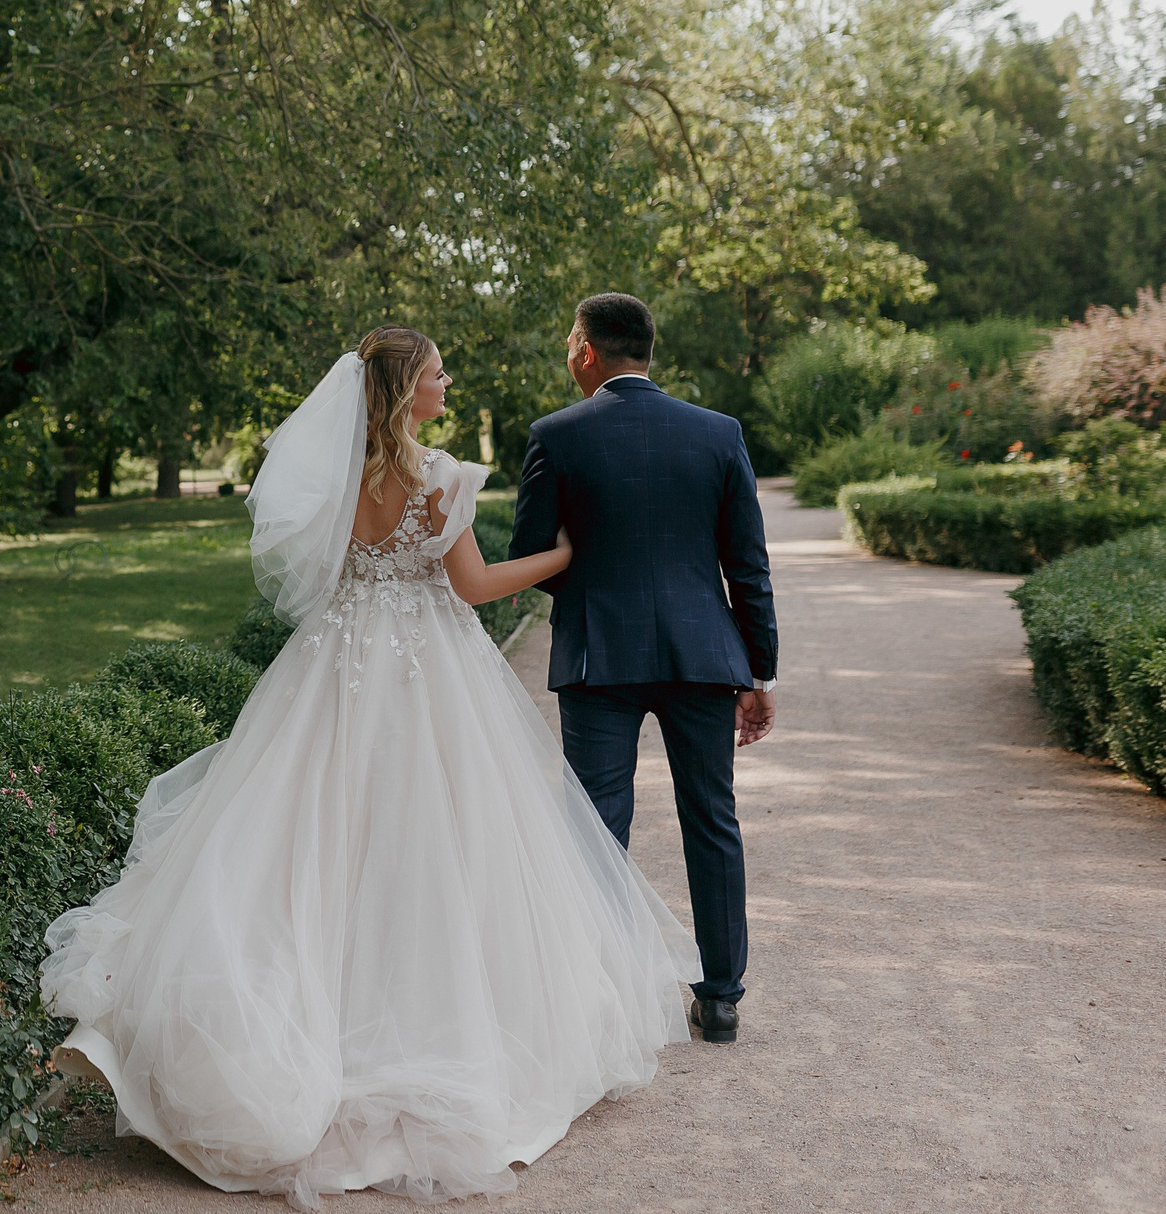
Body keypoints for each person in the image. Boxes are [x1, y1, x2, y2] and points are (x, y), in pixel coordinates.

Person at [41, 326, 699, 1207]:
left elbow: (315, 578)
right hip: (430, 669)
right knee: (434, 844)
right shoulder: (439, 476)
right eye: (436, 370)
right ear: (405, 389)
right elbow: (470, 587)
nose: (447, 377)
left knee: (304, 834)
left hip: (337, 666)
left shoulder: (338, 475)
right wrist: (565, 556)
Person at [506, 291, 777, 1046]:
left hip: (600, 657)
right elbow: (747, 566)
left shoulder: (555, 435)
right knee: (712, 822)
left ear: (588, 351)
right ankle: (720, 999)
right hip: (703, 657)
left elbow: (534, 559)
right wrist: (760, 673)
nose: (567, 352)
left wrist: (593, 584)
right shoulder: (718, 433)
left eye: (570, 339)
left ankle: (600, 999)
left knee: (596, 826)